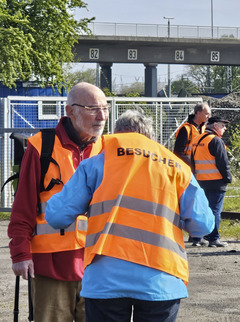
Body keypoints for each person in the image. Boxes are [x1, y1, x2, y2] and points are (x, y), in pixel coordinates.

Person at [45, 109, 214, 321]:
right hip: (161, 279)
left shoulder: (95, 165)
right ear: (150, 138)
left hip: (105, 280)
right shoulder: (178, 169)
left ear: (116, 134)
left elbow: (56, 216)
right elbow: (203, 226)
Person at [7, 82, 109, 321]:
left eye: (105, 108)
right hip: (51, 265)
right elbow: (23, 206)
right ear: (70, 111)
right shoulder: (41, 146)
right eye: (93, 108)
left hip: (98, 262)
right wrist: (21, 253)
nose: (102, 116)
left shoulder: (108, 148)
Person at [191, 116, 232, 247]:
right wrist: (228, 178)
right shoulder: (216, 141)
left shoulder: (196, 139)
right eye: (222, 125)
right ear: (215, 126)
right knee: (215, 210)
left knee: (202, 209)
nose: (225, 128)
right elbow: (223, 163)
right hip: (216, 181)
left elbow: (192, 161)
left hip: (201, 181)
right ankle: (214, 238)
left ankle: (198, 237)